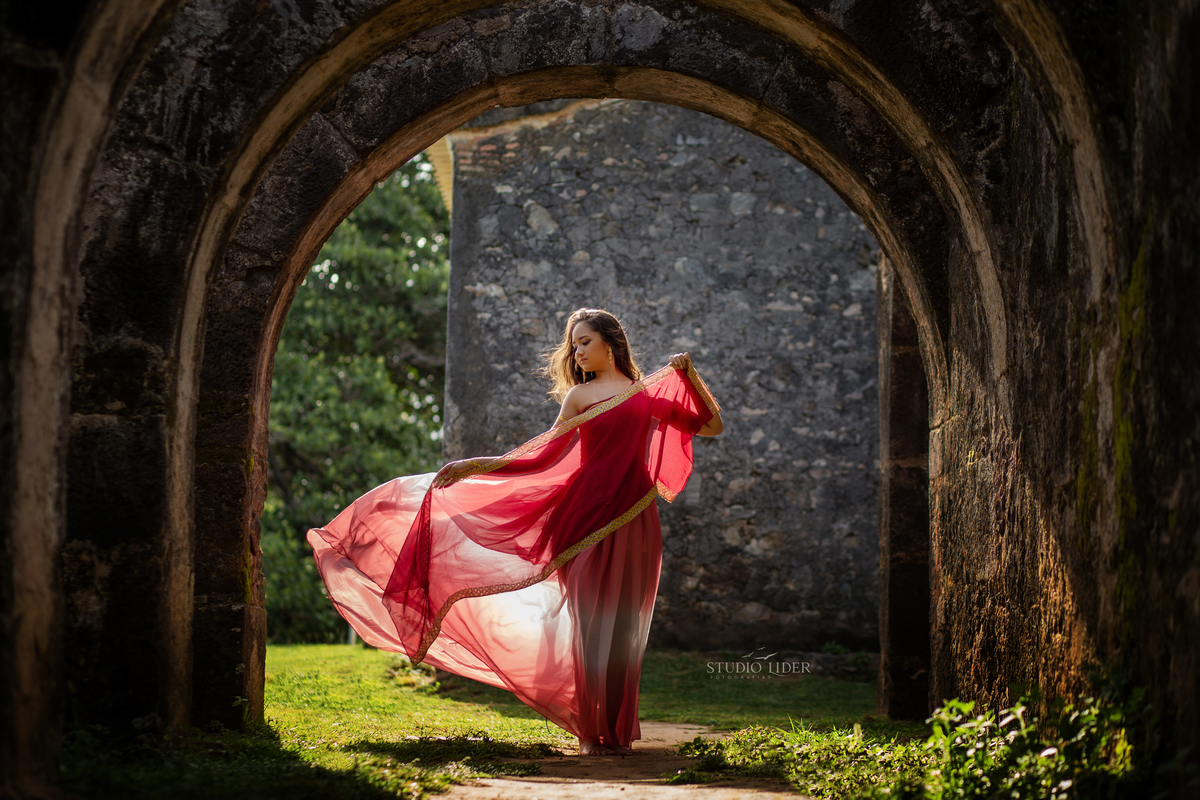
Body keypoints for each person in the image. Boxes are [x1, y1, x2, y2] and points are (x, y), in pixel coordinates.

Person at [308, 308, 723, 755]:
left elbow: (713, 426)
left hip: (635, 523)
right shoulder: (580, 399)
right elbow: (539, 457)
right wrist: (476, 465)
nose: (577, 352)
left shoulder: (647, 394)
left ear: (610, 343)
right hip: (583, 522)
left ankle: (617, 733)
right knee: (589, 628)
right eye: (574, 344)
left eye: (584, 341)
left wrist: (689, 375)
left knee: (625, 628)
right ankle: (591, 732)